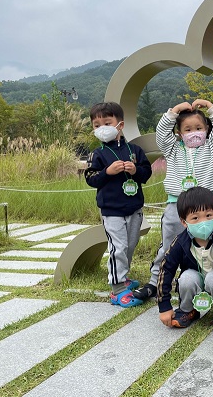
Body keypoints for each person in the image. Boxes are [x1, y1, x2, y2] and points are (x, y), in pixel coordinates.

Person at [133, 99, 213, 301]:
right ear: (179, 133)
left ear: (206, 129)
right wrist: (174, 111)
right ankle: (155, 282)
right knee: (168, 245)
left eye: (199, 128)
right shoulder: (173, 149)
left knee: (206, 246)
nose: (194, 132)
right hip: (176, 204)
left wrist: (210, 106)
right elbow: (161, 134)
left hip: (205, 207)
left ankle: (205, 282)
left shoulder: (212, 147)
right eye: (188, 129)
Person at [84, 102, 153, 308]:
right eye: (97, 125)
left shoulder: (135, 151)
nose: (102, 128)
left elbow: (146, 173)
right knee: (118, 247)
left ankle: (123, 277)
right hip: (111, 211)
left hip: (134, 208)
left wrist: (135, 170)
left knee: (130, 245)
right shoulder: (97, 154)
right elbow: (91, 178)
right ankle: (117, 288)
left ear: (120, 125)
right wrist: (107, 172)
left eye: (107, 123)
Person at [157, 187, 213, 329]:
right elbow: (166, 269)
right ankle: (187, 309)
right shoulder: (180, 243)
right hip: (195, 278)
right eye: (195, 218)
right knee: (186, 278)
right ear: (184, 222)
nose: (203, 222)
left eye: (208, 215)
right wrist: (164, 306)